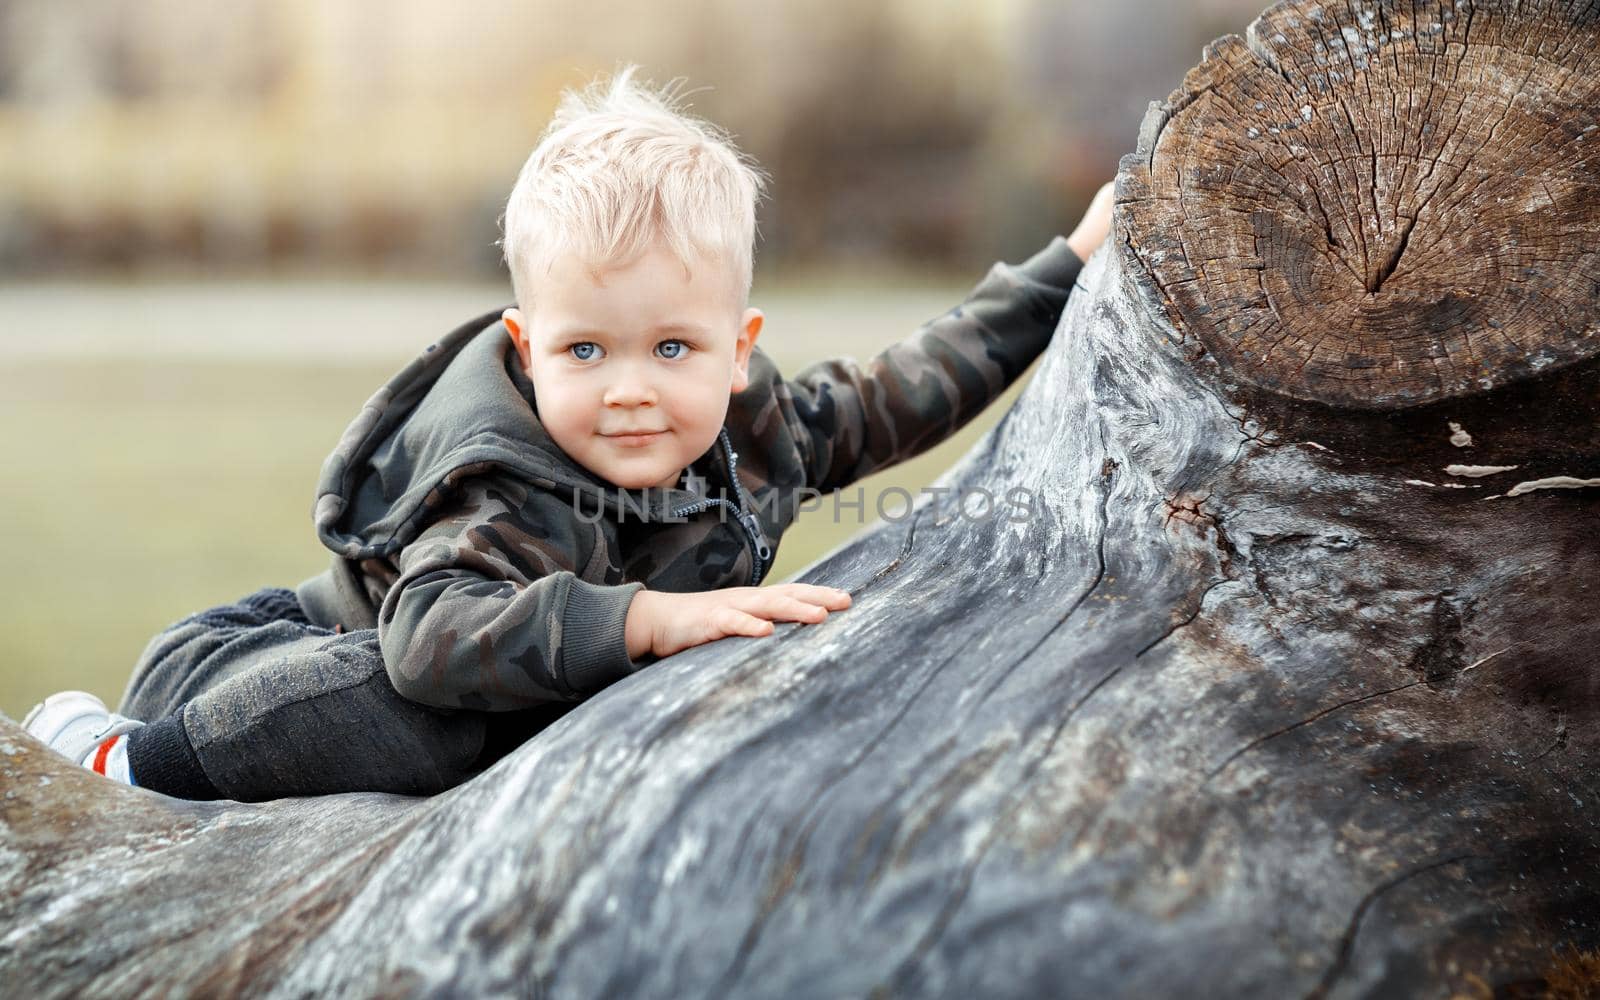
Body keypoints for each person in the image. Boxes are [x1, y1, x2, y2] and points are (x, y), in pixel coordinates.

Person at [23, 67, 1114, 801]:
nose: (631, 390)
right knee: (441, 720)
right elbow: (431, 636)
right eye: (585, 351)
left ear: (739, 348)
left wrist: (1066, 265)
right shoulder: (499, 486)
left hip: (312, 661)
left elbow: (899, 388)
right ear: (527, 345)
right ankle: (117, 756)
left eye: (672, 350)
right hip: (254, 667)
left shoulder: (756, 432)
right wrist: (645, 617)